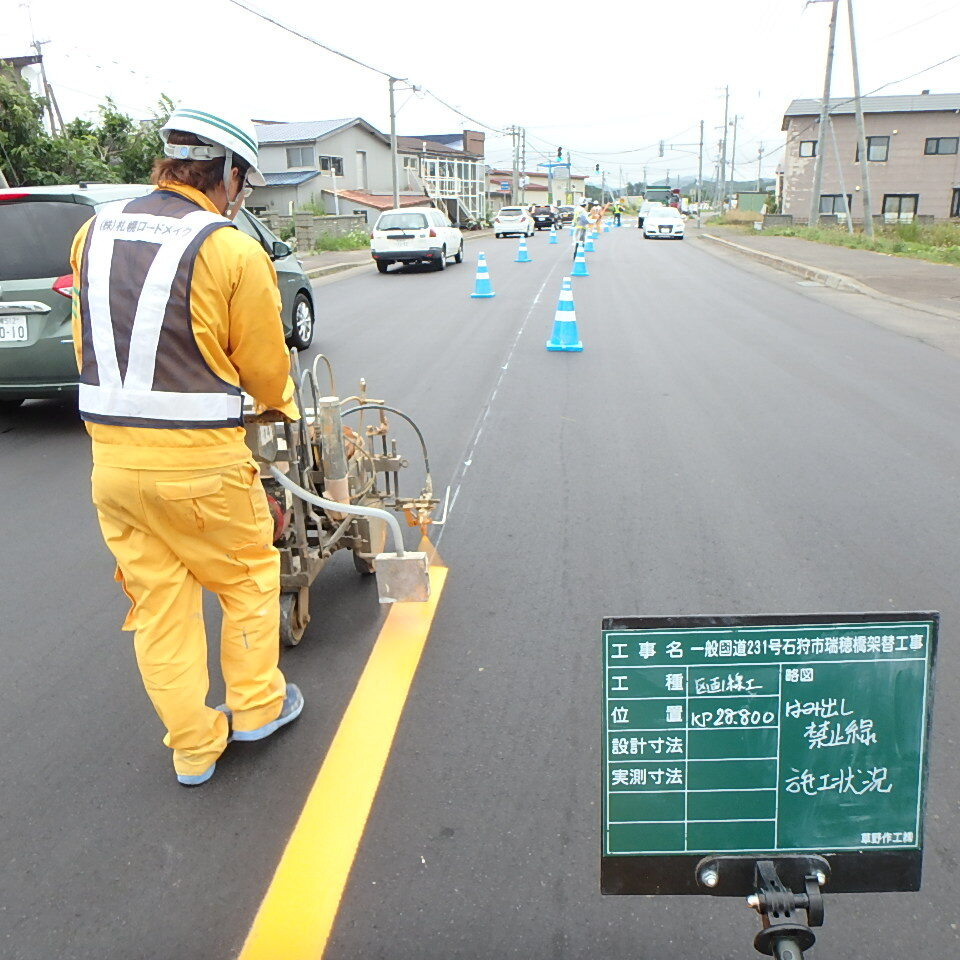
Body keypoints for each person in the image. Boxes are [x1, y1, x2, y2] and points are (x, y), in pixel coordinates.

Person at [70, 106, 304, 787]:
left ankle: (194, 746)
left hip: (112, 465)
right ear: (228, 173)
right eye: (243, 182)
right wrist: (274, 408)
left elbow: (89, 340)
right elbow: (264, 364)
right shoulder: (229, 247)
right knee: (246, 578)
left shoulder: (93, 232)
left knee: (158, 606)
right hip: (201, 465)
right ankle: (257, 706)